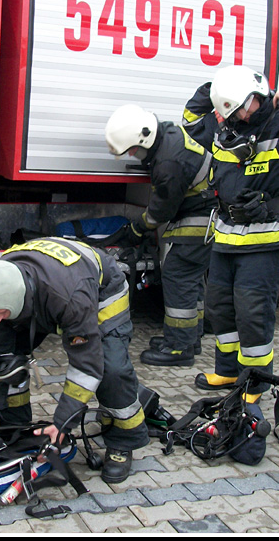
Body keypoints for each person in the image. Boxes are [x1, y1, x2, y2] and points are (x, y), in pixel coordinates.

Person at [182, 66, 279, 401]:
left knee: (253, 313)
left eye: (249, 104)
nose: (245, 114)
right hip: (227, 235)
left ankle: (255, 383)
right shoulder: (226, 126)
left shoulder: (278, 123)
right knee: (219, 307)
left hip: (266, 237)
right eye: (236, 109)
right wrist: (214, 89)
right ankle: (227, 371)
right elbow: (190, 120)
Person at [0, 237, 150, 484]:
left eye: (1, 313)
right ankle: (11, 425)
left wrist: (62, 424)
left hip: (100, 291)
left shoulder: (70, 295)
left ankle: (122, 440)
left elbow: (86, 366)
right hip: (44, 289)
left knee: (111, 368)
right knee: (5, 356)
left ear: (17, 300)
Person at [104, 105, 218, 366]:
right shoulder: (165, 135)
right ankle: (191, 337)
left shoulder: (169, 162)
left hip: (199, 214)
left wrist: (136, 229)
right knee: (190, 277)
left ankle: (179, 348)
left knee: (178, 274)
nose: (133, 155)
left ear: (143, 139)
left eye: (132, 149)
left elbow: (161, 211)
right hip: (202, 209)